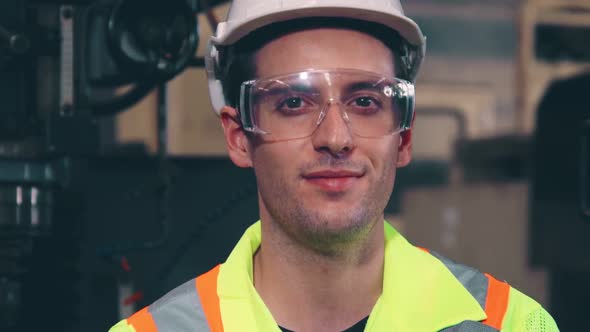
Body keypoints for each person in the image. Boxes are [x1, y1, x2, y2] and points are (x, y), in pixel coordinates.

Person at [109, 0, 559, 331]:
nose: (335, 138)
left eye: (365, 102)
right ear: (239, 137)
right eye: (292, 103)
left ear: (404, 136)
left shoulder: (511, 324)